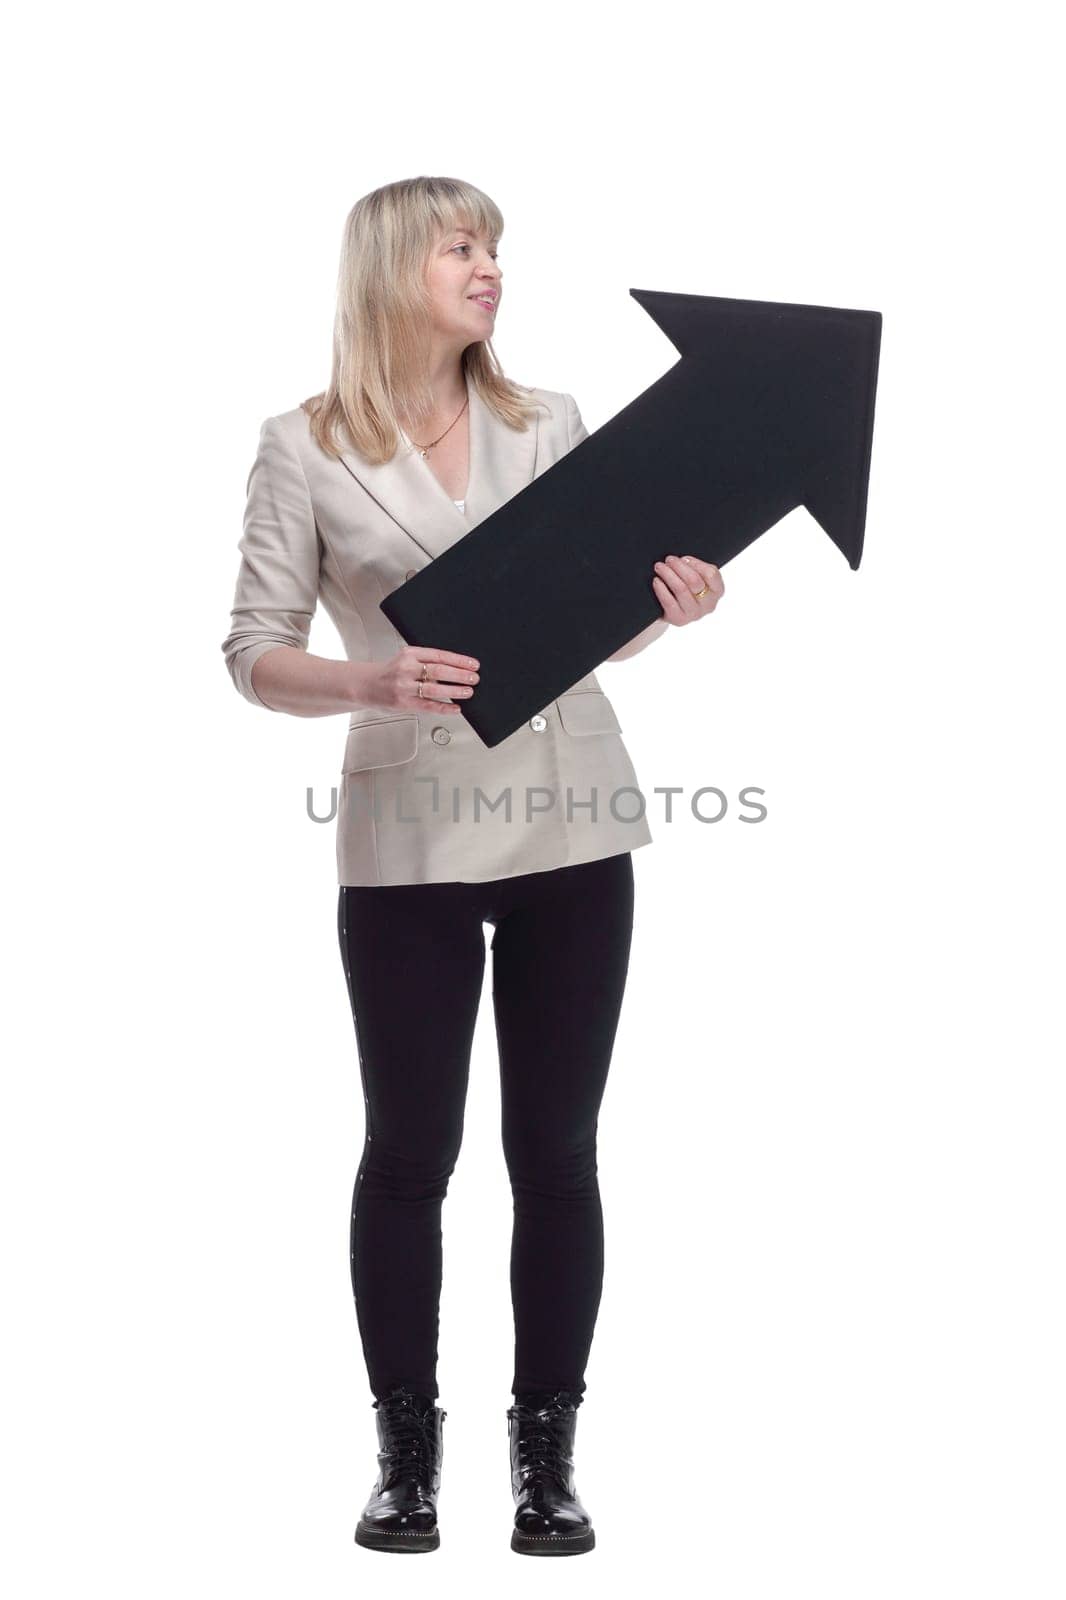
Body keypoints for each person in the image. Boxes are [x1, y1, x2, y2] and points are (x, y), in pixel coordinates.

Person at [220, 175, 724, 1557]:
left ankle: (547, 1464)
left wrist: (663, 611)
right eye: (461, 245)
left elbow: (591, 622)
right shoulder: (302, 444)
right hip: (408, 836)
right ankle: (403, 1461)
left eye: (495, 246)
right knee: (408, 1154)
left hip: (570, 817)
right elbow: (252, 650)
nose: (489, 265)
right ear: (393, 264)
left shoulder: (543, 420)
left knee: (556, 1154)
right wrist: (365, 682)